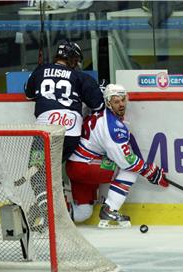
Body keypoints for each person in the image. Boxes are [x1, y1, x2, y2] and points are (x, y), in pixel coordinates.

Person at [24, 40, 104, 228]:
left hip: (45, 131)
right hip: (70, 133)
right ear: (73, 59)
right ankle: (48, 210)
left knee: (36, 171)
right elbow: (98, 105)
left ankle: (47, 211)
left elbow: (28, 94)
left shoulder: (41, 70)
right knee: (51, 171)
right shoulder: (80, 76)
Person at [66, 84, 169, 228]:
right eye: (116, 101)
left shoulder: (102, 113)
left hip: (76, 165)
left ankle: (49, 214)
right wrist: (148, 171)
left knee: (83, 213)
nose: (121, 104)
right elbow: (126, 161)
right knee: (129, 170)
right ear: (108, 103)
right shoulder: (113, 126)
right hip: (85, 166)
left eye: (123, 100)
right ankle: (110, 209)